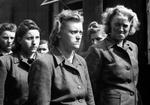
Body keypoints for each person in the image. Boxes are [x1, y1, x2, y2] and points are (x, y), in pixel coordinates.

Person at [27, 9, 95, 105]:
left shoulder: (81, 61)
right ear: (59, 33)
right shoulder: (44, 63)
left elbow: (89, 99)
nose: (79, 36)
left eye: (80, 32)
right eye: (73, 32)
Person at [85, 5, 141, 105]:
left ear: (131, 26)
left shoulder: (133, 47)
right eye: (117, 24)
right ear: (109, 25)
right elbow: (89, 86)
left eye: (125, 25)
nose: (121, 29)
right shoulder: (97, 49)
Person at [0, 19, 41, 105]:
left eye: (37, 38)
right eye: (29, 38)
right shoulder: (5, 62)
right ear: (19, 40)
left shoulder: (45, 60)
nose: (34, 42)